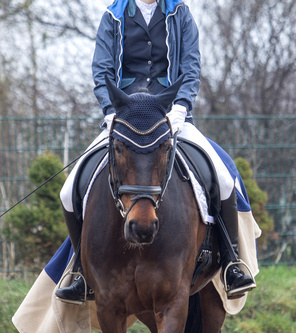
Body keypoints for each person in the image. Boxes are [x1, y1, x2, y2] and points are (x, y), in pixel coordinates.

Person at [56, 0, 255, 304]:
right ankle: (81, 273)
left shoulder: (180, 12)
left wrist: (180, 108)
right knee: (69, 191)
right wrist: (110, 111)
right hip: (125, 118)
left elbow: (191, 67)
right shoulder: (113, 15)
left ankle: (231, 265)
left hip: (168, 115)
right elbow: (102, 70)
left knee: (224, 179)